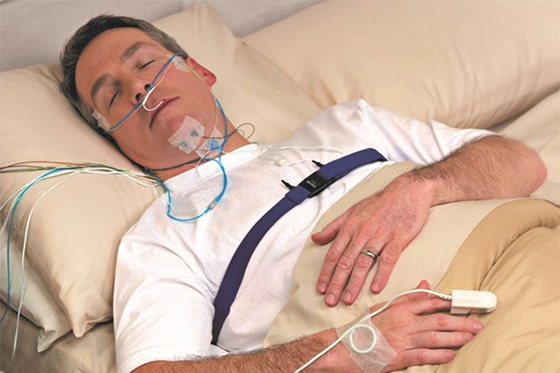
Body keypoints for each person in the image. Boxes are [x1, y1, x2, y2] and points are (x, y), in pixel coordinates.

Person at [60, 15, 547, 373]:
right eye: (112, 94)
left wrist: (419, 186)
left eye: (145, 63)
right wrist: (351, 348)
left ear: (200, 71)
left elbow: (520, 163)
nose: (140, 85)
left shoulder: (349, 125)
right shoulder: (164, 238)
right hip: (447, 343)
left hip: (532, 256)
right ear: (114, 138)